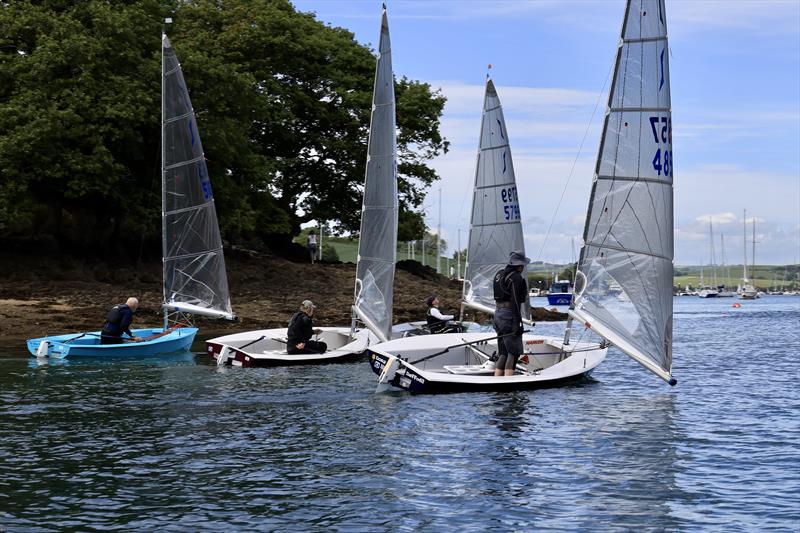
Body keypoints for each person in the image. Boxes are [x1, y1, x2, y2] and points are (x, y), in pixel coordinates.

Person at [492, 250, 530, 376]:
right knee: (514, 352)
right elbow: (515, 301)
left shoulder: (499, 274)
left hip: (497, 314)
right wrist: (518, 323)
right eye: (522, 265)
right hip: (509, 316)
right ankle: (509, 385)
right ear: (519, 265)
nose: (523, 267)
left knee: (503, 352)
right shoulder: (515, 278)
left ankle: (498, 381)